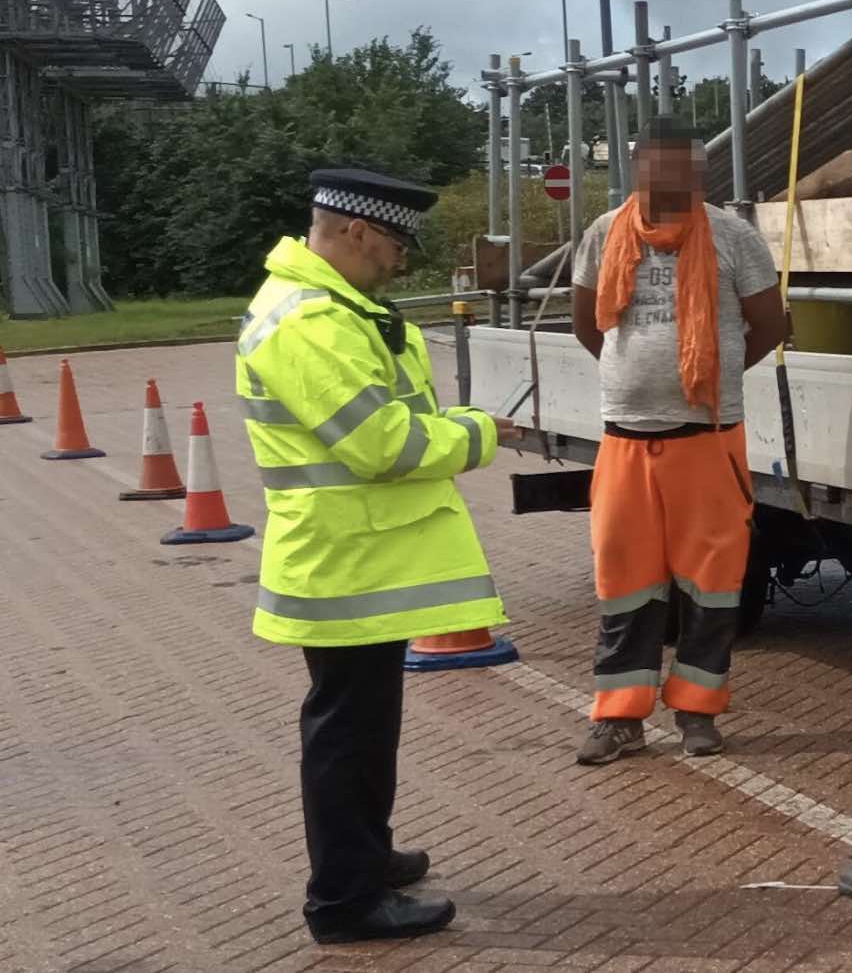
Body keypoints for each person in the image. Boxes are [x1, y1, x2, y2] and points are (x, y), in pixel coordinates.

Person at [237, 168, 518, 946]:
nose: (398, 262)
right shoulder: (307, 322)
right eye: (393, 244)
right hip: (344, 564)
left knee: (363, 727)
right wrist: (480, 431)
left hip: (360, 560)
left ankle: (366, 855)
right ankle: (344, 901)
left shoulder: (334, 307)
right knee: (347, 734)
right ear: (354, 231)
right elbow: (379, 442)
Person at [570, 118, 785, 765]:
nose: (667, 180)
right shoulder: (604, 234)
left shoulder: (734, 238)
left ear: (700, 173)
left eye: (681, 168)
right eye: (655, 167)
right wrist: (636, 381)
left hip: (709, 440)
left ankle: (697, 711)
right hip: (626, 440)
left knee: (713, 585)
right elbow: (589, 326)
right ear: (637, 170)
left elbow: (770, 325)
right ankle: (619, 718)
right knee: (625, 584)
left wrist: (707, 376)